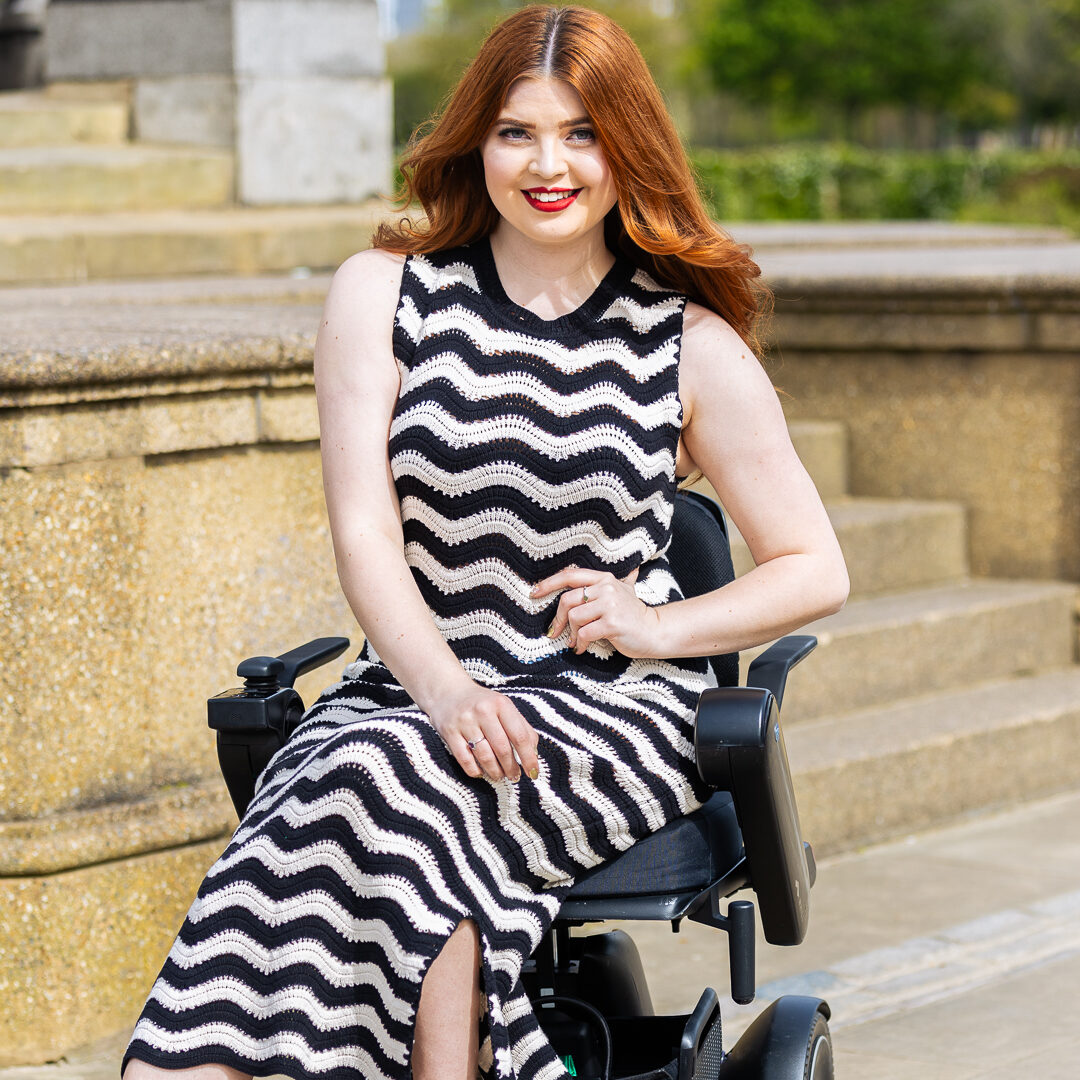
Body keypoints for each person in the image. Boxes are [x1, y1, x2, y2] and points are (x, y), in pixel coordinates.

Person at [122, 6, 849, 1080]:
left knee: (410, 789)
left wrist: (654, 625)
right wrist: (448, 692)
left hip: (602, 709)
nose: (548, 165)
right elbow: (364, 529)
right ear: (476, 140)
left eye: (582, 133)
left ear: (628, 147)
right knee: (370, 772)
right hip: (414, 685)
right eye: (517, 132)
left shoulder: (687, 345)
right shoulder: (383, 293)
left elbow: (815, 568)